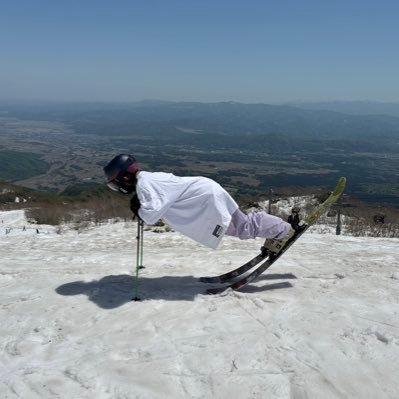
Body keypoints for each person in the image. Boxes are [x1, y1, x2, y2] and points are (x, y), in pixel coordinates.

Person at [103, 154, 297, 253]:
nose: (118, 188)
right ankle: (279, 230)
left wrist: (138, 209)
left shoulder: (145, 184)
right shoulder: (148, 179)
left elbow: (151, 216)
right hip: (206, 193)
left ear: (125, 178)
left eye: (116, 184)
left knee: (240, 227)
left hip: (205, 201)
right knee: (242, 223)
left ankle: (283, 231)